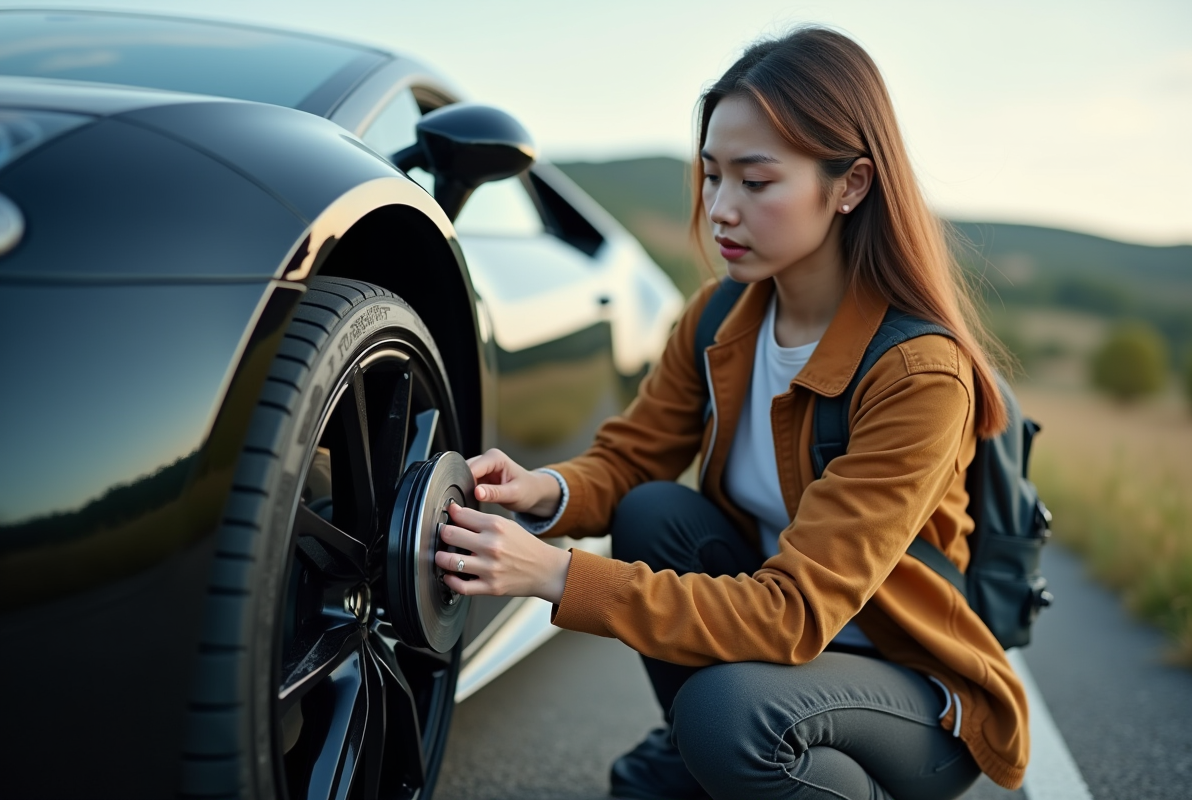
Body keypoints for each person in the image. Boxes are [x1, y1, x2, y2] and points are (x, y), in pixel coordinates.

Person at [432, 26, 1029, 800]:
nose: (720, 209)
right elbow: (633, 459)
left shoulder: (918, 375)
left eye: (755, 181)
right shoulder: (720, 318)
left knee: (723, 720)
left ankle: (750, 747)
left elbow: (793, 613)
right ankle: (722, 747)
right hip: (779, 658)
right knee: (653, 512)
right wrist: (542, 490)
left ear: (850, 185)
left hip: (910, 691)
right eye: (711, 176)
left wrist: (552, 573)